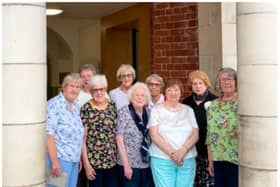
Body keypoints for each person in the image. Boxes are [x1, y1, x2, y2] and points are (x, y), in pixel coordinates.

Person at [148, 78, 199, 187]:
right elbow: (154, 135)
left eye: (176, 90)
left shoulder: (188, 110)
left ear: (181, 92)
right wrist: (173, 154)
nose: (173, 93)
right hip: (162, 159)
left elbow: (195, 135)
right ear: (164, 92)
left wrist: (182, 151)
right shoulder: (156, 110)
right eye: (169, 90)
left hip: (187, 159)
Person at [46, 73, 84, 187]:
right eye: (71, 86)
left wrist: (78, 158)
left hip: (74, 160)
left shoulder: (76, 106)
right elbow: (49, 135)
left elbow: (77, 133)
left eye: (78, 87)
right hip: (60, 159)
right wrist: (54, 162)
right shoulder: (54, 104)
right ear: (64, 87)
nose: (74, 90)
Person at [81, 74, 119, 187]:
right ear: (91, 91)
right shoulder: (86, 108)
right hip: (94, 163)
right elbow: (82, 139)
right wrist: (86, 165)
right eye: (95, 90)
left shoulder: (112, 106)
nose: (99, 92)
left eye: (101, 89)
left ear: (105, 89)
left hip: (112, 162)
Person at [182, 70, 217, 187]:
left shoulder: (215, 101)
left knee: (208, 182)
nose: (197, 86)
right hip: (191, 150)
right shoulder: (186, 103)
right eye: (194, 84)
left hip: (209, 151)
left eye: (200, 83)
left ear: (206, 84)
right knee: (193, 182)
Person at [116, 82, 154, 187]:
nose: (140, 98)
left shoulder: (150, 113)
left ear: (147, 98)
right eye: (137, 95)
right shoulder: (124, 112)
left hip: (146, 164)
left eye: (143, 95)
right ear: (131, 97)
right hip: (130, 164)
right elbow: (119, 139)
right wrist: (126, 165)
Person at [206, 67, 239, 187]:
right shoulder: (213, 105)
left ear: (236, 82)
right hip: (218, 158)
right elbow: (210, 134)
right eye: (222, 80)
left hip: (236, 158)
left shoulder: (242, 102)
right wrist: (210, 160)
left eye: (229, 79)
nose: (226, 82)